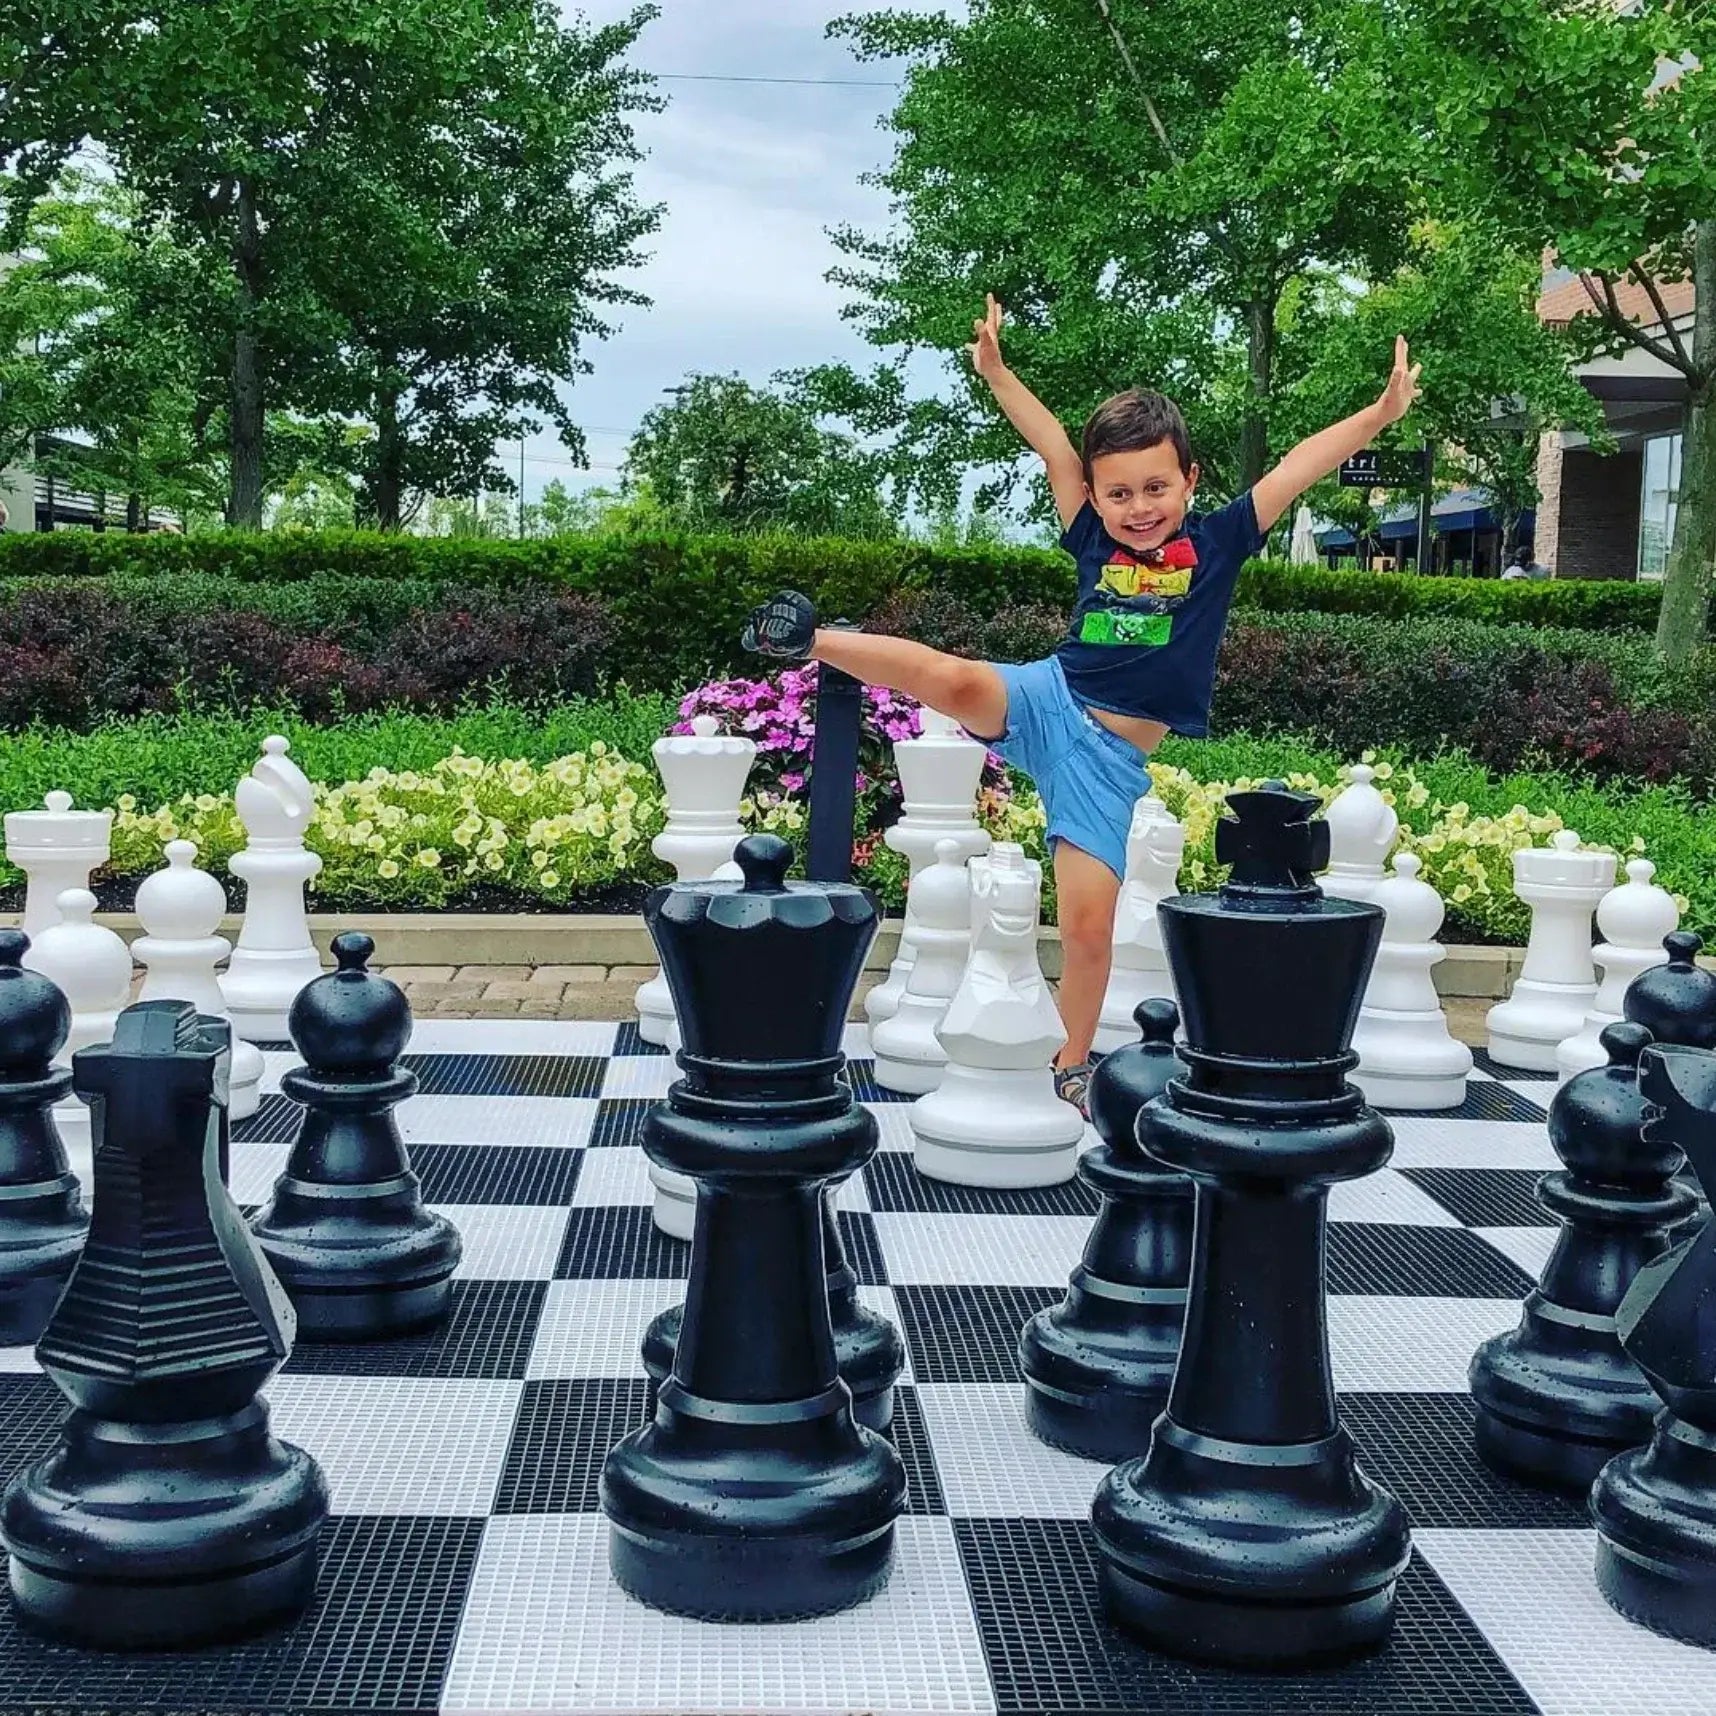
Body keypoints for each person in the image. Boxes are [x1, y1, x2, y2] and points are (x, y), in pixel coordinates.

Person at [741, 296, 1421, 1117]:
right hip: (1050, 698)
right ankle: (808, 639)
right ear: (1095, 499)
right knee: (953, 679)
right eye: (1119, 493)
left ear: (1190, 480)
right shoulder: (1091, 532)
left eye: (1156, 487)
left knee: (1090, 926)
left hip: (1104, 764)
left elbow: (1298, 467)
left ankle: (1068, 1068)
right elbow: (1052, 443)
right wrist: (996, 370)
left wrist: (1380, 413)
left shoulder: (1221, 539)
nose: (1139, 507)